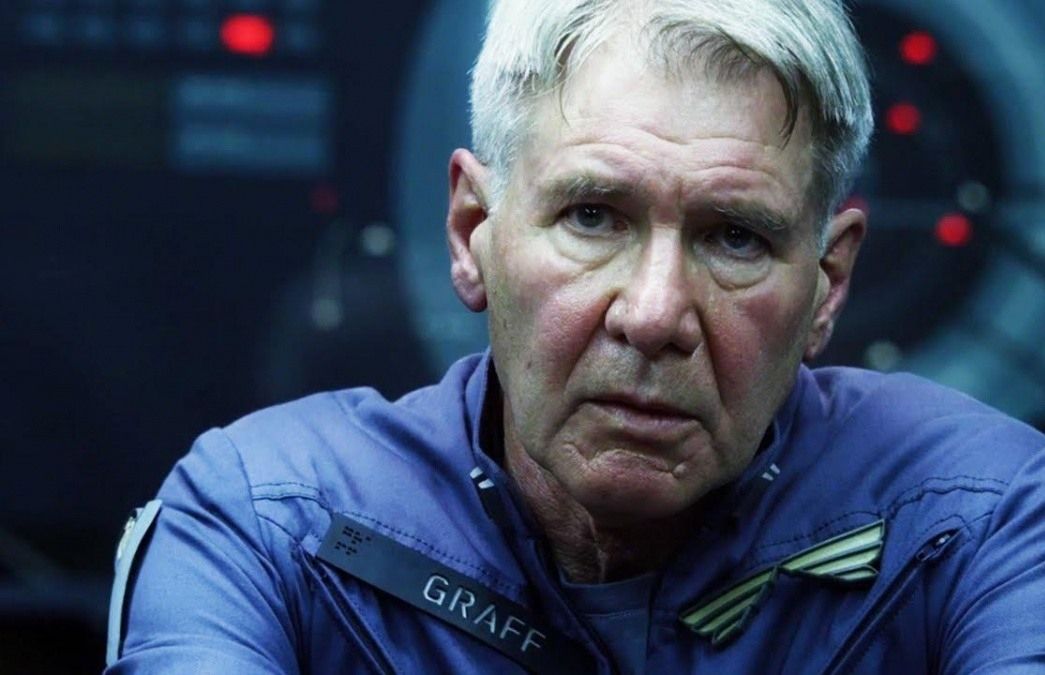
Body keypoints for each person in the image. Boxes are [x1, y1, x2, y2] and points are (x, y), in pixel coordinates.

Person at [104, 0, 1045, 672]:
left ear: (826, 284)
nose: (653, 313)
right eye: (593, 216)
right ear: (473, 231)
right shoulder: (271, 523)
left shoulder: (982, 517)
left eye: (735, 237)